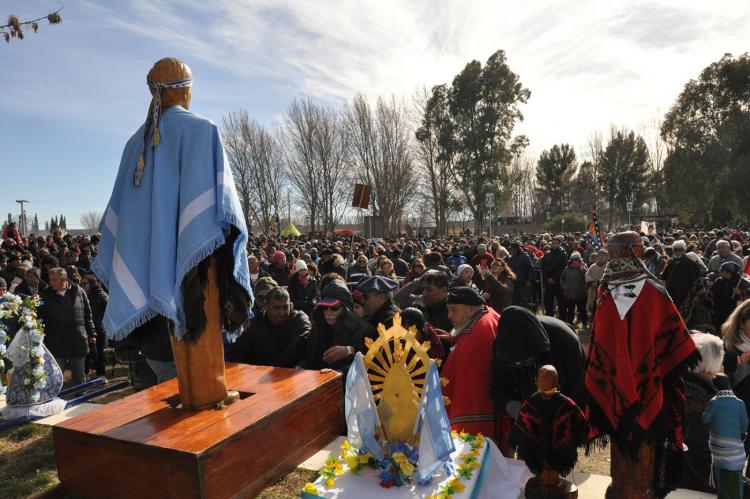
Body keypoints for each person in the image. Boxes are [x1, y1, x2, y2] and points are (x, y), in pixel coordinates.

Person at [585, 232, 697, 498]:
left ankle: (627, 488)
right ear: (635, 251)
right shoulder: (647, 289)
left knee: (625, 433)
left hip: (616, 386)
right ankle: (634, 489)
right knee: (638, 435)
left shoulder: (607, 289)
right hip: (650, 384)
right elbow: (677, 341)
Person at [492, 306, 586, 420]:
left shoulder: (564, 340)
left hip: (566, 409)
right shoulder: (503, 351)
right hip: (528, 415)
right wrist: (512, 407)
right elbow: (499, 387)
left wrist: (562, 412)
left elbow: (578, 383)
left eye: (525, 361)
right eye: (514, 364)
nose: (519, 364)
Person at [442, 286, 498, 436]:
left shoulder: (479, 334)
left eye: (454, 310)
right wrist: (451, 337)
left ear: (471, 309)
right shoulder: (485, 314)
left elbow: (470, 388)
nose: (449, 315)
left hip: (475, 425)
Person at [680, 332, 724, 493]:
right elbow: (701, 458)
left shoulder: (676, 387)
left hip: (668, 477)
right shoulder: (706, 400)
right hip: (694, 483)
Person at [38, 267, 97, 387]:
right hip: (56, 342)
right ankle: (54, 403)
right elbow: (39, 318)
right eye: (50, 280)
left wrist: (92, 333)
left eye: (54, 279)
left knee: (79, 375)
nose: (51, 282)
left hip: (78, 340)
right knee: (55, 376)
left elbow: (87, 314)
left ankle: (80, 399)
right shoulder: (44, 296)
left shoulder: (79, 292)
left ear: (64, 279)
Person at [299, 280, 370, 376]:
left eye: (334, 308)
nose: (328, 312)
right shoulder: (318, 327)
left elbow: (371, 356)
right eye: (324, 308)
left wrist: (349, 350)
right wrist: (299, 368)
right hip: (318, 380)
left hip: (347, 385)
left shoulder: (362, 328)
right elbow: (309, 356)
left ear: (344, 308)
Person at [227, 287, 310, 368]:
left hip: (291, 375)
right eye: (276, 308)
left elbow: (295, 351)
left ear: (291, 305)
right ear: (266, 306)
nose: (282, 313)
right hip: (259, 375)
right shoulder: (255, 325)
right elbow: (239, 353)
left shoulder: (299, 321)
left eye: (285, 307)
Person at [702, 373, 748, 499]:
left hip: (717, 448)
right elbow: (745, 425)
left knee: (720, 478)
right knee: (734, 481)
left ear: (716, 387)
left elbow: (705, 419)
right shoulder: (740, 403)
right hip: (735, 451)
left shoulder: (714, 402)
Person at [662, 239, 703, 316]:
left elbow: (698, 280)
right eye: (675, 249)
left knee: (684, 316)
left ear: (684, 250)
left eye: (680, 250)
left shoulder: (691, 264)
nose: (677, 252)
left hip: (686, 295)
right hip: (672, 294)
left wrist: (696, 295)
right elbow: (664, 279)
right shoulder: (670, 263)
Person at [82, 274, 109, 377]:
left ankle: (101, 374)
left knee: (98, 353)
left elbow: (100, 316)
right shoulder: (86, 295)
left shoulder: (101, 296)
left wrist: (92, 329)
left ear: (92, 284)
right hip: (89, 328)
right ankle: (86, 373)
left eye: (85, 284)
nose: (83, 286)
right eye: (82, 283)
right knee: (87, 353)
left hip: (98, 330)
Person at [711, 262, 750, 333]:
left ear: (729, 272)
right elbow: (712, 294)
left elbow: (748, 296)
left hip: (734, 310)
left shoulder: (742, 282)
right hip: (720, 309)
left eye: (722, 270)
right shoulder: (719, 281)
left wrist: (741, 292)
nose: (721, 272)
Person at [539, 236, 568, 318]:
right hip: (548, 283)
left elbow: (563, 268)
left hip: (559, 283)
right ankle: (549, 319)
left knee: (562, 304)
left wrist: (554, 278)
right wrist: (548, 278)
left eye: (556, 243)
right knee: (548, 302)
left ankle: (562, 320)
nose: (554, 245)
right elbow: (543, 268)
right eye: (552, 243)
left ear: (559, 244)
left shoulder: (563, 255)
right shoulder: (547, 255)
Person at [559, 252, 588, 328]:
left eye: (577, 259)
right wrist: (564, 287)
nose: (575, 261)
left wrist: (583, 270)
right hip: (569, 293)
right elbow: (561, 278)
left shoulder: (583, 267)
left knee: (582, 310)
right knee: (570, 311)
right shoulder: (567, 268)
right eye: (573, 259)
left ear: (579, 259)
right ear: (571, 260)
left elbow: (587, 277)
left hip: (581, 294)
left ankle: (584, 325)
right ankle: (570, 326)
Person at [508, 241, 533, 308]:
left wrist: (528, 280)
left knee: (524, 302)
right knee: (514, 302)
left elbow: (530, 269)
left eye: (512, 249)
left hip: (523, 283)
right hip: (514, 283)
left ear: (516, 249)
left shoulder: (525, 257)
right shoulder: (511, 258)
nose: (510, 250)